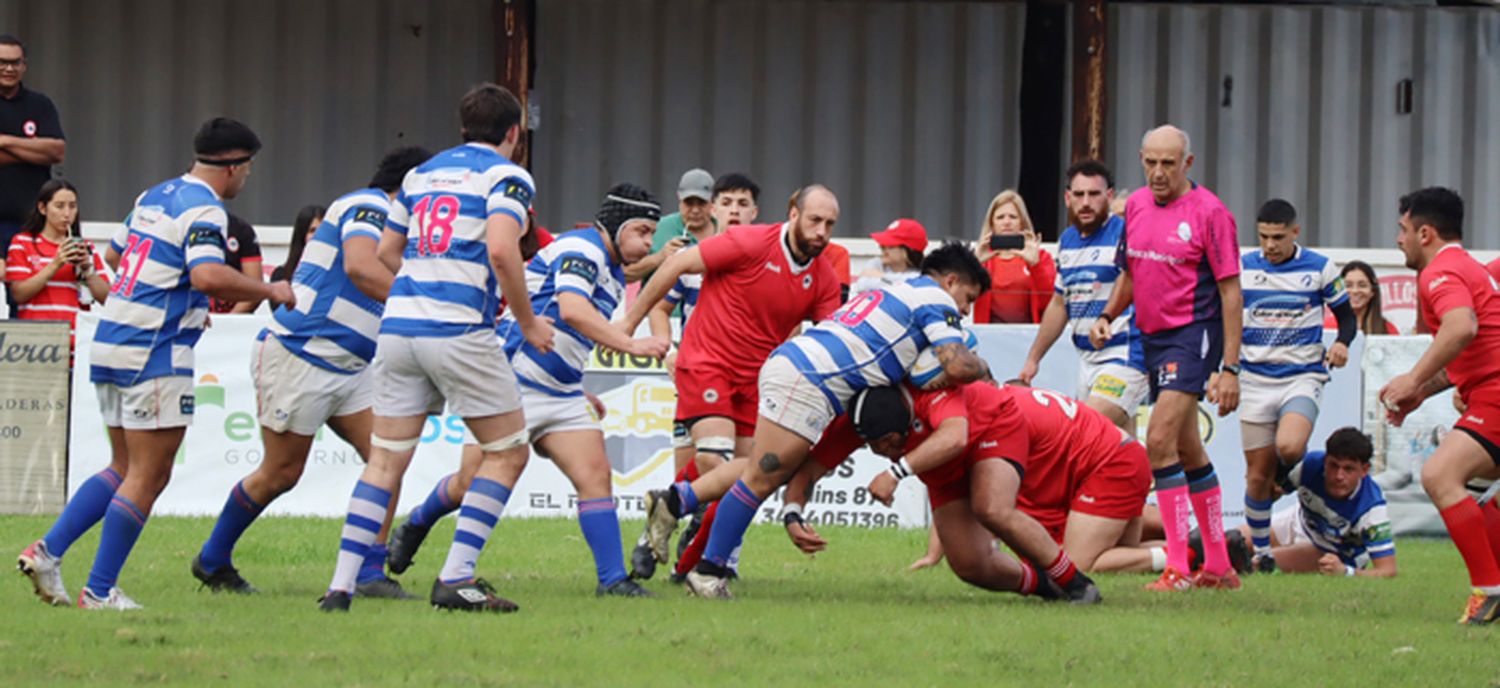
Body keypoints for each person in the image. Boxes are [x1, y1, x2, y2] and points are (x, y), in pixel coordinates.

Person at [15, 117, 293, 610]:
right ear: (232, 167)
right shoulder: (206, 209)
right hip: (153, 349)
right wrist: (270, 288)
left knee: (123, 466)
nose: (247, 178)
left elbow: (118, 257)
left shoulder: (155, 194)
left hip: (113, 336)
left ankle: (48, 551)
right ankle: (100, 590)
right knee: (149, 473)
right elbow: (208, 274)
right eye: (247, 169)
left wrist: (181, 301)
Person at [318, 83, 553, 614]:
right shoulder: (507, 175)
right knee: (508, 451)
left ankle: (340, 587)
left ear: (463, 128)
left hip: (399, 328)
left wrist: (421, 284)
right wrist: (528, 321)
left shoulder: (420, 175)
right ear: (514, 133)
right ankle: (456, 578)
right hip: (458, 329)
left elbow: (385, 250)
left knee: (383, 462)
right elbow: (500, 248)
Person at [384, 186, 670, 599]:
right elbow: (572, 309)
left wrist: (578, 388)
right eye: (642, 231)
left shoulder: (607, 267)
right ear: (617, 225)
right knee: (469, 483)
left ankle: (613, 581)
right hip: (511, 382)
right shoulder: (582, 249)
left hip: (562, 391)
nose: (648, 243)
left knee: (595, 476)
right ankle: (417, 526)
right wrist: (633, 344)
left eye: (652, 234)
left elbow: (566, 328)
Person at [677, 241, 992, 599]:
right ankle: (707, 570)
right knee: (761, 476)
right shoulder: (936, 300)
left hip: (799, 368)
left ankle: (677, 503)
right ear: (951, 282)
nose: (965, 311)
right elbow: (957, 365)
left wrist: (793, 511)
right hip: (810, 378)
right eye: (968, 298)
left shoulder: (897, 294)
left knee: (762, 471)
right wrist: (982, 366)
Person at [188, 147, 431, 599]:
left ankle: (370, 573)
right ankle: (212, 558)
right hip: (304, 353)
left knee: (388, 458)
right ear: (412, 183)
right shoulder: (371, 204)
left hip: (352, 366)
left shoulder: (400, 227)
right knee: (281, 473)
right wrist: (423, 306)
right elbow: (360, 267)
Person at [622, 184, 843, 583]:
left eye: (830, 224)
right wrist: (627, 325)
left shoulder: (824, 277)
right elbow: (674, 267)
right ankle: (680, 520)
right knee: (714, 459)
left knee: (747, 479)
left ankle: (681, 543)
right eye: (815, 220)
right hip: (708, 362)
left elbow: (831, 341)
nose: (822, 232)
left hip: (760, 380)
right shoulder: (748, 242)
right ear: (793, 213)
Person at [1090, 124, 1244, 591]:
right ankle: (1218, 565)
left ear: (1188, 164)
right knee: (1186, 446)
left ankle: (1178, 565)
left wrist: (1231, 368)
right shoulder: (1134, 206)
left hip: (1192, 335)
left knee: (1157, 440)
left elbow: (1231, 293)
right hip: (1150, 336)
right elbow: (1132, 273)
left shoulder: (1211, 213)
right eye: (1150, 162)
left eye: (1168, 164)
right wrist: (1108, 314)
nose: (1158, 173)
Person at [784, 384, 1099, 601]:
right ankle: (1047, 586)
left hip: (990, 429)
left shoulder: (933, 392)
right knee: (970, 565)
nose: (886, 453)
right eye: (876, 448)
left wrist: (895, 472)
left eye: (892, 444)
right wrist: (792, 514)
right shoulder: (857, 422)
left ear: (906, 425)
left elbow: (955, 438)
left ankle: (1078, 584)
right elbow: (808, 471)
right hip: (943, 465)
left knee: (992, 508)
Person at [1379, 187, 1500, 625]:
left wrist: (1412, 378)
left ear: (1425, 233)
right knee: (1486, 506)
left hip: (1495, 395)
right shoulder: (1472, 267)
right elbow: (1470, 349)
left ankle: (1487, 594)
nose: (1399, 239)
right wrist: (1420, 392)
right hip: (1489, 392)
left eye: (1403, 229)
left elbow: (1461, 328)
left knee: (1440, 475)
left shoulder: (1439, 273)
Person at [1237, 199, 1357, 572]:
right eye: (1263, 237)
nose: (1269, 245)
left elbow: (1347, 318)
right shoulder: (1243, 267)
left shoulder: (1320, 268)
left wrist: (1341, 342)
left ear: (1295, 232)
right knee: (1257, 479)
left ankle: (1286, 480)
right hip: (1254, 379)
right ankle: (1260, 554)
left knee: (1290, 445)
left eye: (1277, 237)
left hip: (1302, 375)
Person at [1020, 160, 1147, 436]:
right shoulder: (1068, 240)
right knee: (1120, 450)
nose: (1086, 202)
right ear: (1067, 198)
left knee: (1081, 432)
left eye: (1094, 194)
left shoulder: (1126, 234)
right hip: (1087, 359)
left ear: (1110, 196)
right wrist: (1033, 358)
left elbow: (1138, 285)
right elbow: (1059, 303)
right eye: (1079, 195)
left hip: (1125, 355)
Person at [1233, 428, 1396, 578]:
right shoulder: (1310, 466)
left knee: (1259, 564)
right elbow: (1274, 492)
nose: (1339, 476)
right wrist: (1260, 483)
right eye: (1333, 466)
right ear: (1325, 461)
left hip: (1329, 549)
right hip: (1298, 520)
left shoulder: (1371, 508)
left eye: (1348, 469)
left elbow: (1388, 571)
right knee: (1232, 541)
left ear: (1364, 470)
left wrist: (1346, 572)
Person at [0, 35, 66, 318]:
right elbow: (43, 149)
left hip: (30, 223)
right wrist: (30, 149)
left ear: (24, 66)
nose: (9, 68)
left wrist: (3, 141)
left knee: (26, 297)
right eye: (2, 62)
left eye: (15, 62)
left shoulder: (40, 105)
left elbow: (56, 150)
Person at [4, 180, 109, 337]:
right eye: (59, 206)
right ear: (42, 208)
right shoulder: (23, 243)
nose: (67, 214)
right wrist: (56, 263)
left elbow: (108, 299)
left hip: (76, 337)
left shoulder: (85, 247)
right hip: (35, 341)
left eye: (72, 206)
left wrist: (88, 270)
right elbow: (19, 294)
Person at [973, 189, 1055, 324]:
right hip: (989, 336)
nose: (1007, 222)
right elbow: (960, 300)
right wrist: (974, 265)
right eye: (1000, 217)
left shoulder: (1041, 257)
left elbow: (1049, 303)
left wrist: (1036, 266)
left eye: (1013, 217)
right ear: (992, 224)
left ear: (1022, 222)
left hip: (1030, 335)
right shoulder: (983, 260)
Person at [625, 168, 715, 282]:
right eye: (689, 203)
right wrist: (660, 257)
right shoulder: (656, 229)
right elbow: (626, 274)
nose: (695, 210)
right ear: (679, 198)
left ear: (713, 201)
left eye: (702, 203)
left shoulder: (724, 232)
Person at [850, 218, 927, 296]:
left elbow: (917, 283)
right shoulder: (876, 263)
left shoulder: (925, 274)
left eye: (890, 247)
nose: (883, 251)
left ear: (907, 251)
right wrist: (893, 282)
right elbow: (862, 286)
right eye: (882, 247)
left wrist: (881, 276)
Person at [208, 214, 265, 313]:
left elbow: (255, 289)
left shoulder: (240, 228)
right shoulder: (179, 225)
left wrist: (228, 321)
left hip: (232, 319)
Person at [1323, 261, 1398, 335]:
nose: (1355, 291)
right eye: (1348, 285)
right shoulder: (1327, 327)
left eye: (1362, 285)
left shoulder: (1388, 329)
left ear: (1373, 291)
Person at [269, 204, 326, 282]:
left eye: (322, 230)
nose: (318, 236)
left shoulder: (341, 272)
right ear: (302, 235)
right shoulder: (282, 275)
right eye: (312, 230)